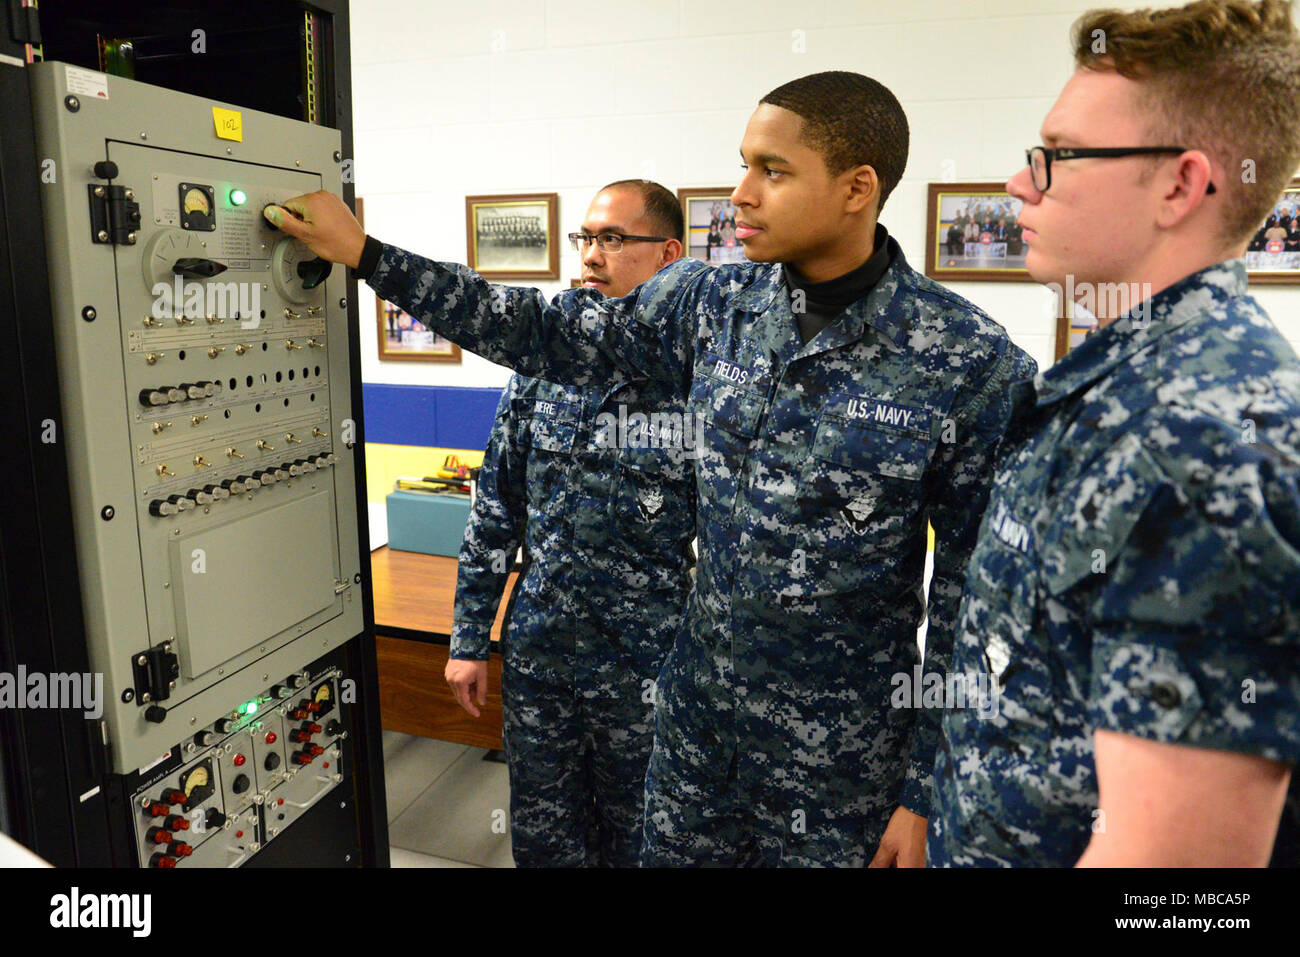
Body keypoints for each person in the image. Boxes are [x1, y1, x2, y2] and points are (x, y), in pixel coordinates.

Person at [266, 70, 1034, 867]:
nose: (740, 193)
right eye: (743, 164)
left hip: (840, 764)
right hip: (695, 734)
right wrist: (364, 253)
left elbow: (974, 600)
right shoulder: (715, 306)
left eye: (771, 170)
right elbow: (537, 332)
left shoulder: (966, 361)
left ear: (857, 188)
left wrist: (926, 788)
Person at [930, 0, 1300, 867]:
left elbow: (1174, 882)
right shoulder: (1122, 383)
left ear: (1180, 184)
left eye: (1057, 157)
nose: (1021, 184)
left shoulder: (1206, 440)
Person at [445, 180, 693, 867]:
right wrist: (470, 637)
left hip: (644, 664)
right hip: (543, 655)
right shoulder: (543, 363)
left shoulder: (690, 376)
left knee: (642, 838)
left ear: (668, 253)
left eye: (612, 238)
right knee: (546, 838)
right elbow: (496, 506)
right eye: (586, 237)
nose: (590, 254)